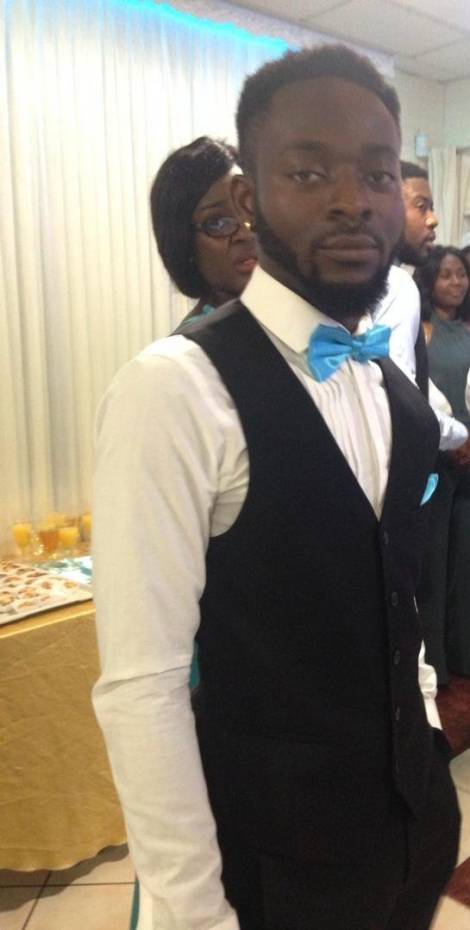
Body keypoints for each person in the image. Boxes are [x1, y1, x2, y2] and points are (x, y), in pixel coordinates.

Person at [93, 44, 460, 930]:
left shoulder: (392, 390)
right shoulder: (176, 389)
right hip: (275, 864)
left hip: (411, 834)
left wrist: (420, 719)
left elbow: (396, 596)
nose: (352, 198)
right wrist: (193, 912)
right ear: (251, 199)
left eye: (377, 172)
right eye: (308, 170)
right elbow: (142, 689)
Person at [374, 162, 469, 453]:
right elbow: (401, 394)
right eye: (421, 206)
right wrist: (459, 436)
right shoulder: (397, 284)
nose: (433, 220)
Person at [414, 246, 470, 682]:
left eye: (462, 274)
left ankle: (463, 655)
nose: (457, 282)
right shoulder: (422, 332)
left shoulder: (469, 329)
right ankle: (436, 663)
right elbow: (417, 396)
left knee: (464, 564)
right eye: (447, 275)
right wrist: (453, 442)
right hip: (437, 458)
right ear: (430, 281)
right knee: (435, 563)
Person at [150, 136, 257, 326]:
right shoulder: (197, 342)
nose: (246, 233)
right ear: (184, 243)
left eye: (252, 209)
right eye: (217, 223)